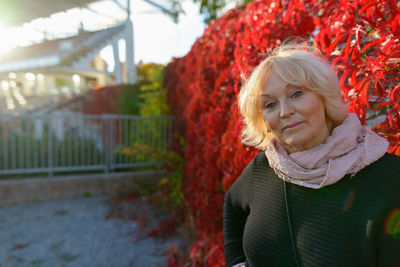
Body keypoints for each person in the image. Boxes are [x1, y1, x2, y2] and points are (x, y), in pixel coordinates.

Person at [223, 42, 400, 267]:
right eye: (270, 104)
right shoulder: (262, 169)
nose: (285, 111)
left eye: (296, 94)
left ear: (323, 97)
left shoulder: (389, 177)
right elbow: (232, 204)